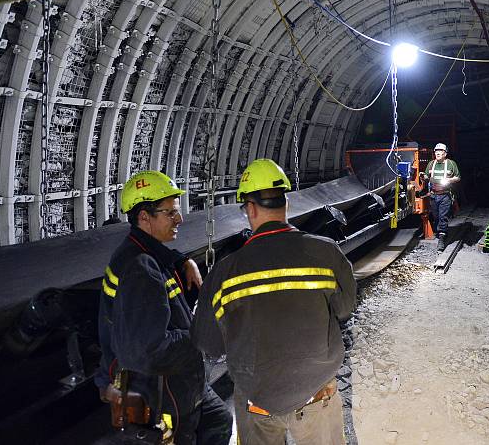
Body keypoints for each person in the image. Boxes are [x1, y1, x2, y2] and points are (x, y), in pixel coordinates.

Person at [192, 159, 357, 445]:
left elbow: (209, 343)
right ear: (286, 204)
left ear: (251, 208)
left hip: (257, 400)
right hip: (316, 393)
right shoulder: (326, 253)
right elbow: (344, 309)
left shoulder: (225, 271)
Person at [96, 170, 232, 444]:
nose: (179, 219)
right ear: (145, 218)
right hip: (163, 388)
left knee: (219, 420)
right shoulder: (140, 270)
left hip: (181, 378)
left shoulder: (141, 251)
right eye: (170, 213)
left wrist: (183, 261)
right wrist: (202, 335)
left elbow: (156, 256)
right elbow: (149, 350)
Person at [422, 142, 461, 251]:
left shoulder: (451, 164)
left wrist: (449, 179)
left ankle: (442, 239)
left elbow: (458, 177)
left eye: (440, 151)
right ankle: (440, 231)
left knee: (443, 216)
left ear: (445, 153)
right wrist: (423, 176)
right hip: (434, 195)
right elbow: (426, 175)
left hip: (445, 195)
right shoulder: (431, 164)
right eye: (436, 151)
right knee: (436, 216)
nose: (437, 153)